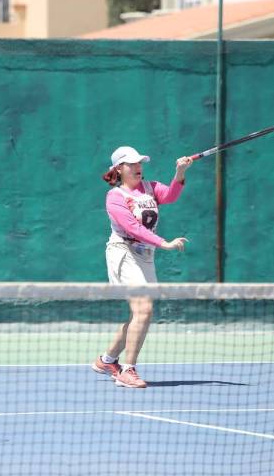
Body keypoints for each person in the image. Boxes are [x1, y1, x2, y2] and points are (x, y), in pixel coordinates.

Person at [92, 146, 192, 388]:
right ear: (119, 169)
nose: (138, 167)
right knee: (144, 310)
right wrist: (164, 243)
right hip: (123, 252)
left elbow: (170, 196)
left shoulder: (151, 187)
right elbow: (132, 228)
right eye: (131, 164)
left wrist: (180, 172)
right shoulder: (115, 197)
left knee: (140, 314)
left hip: (145, 255)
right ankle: (128, 370)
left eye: (139, 163)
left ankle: (107, 361)